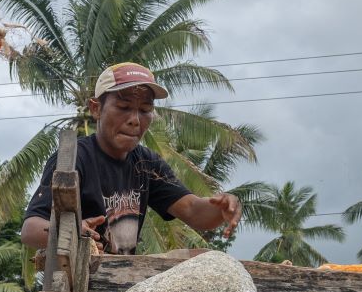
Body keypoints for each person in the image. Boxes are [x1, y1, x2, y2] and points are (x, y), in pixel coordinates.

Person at [20, 62, 242, 256]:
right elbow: (31, 229)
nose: (135, 120)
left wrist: (221, 208)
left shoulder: (147, 164)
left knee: (200, 259)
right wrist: (71, 232)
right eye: (123, 107)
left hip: (123, 280)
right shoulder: (74, 158)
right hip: (83, 280)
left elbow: (193, 211)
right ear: (96, 109)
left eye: (145, 110)